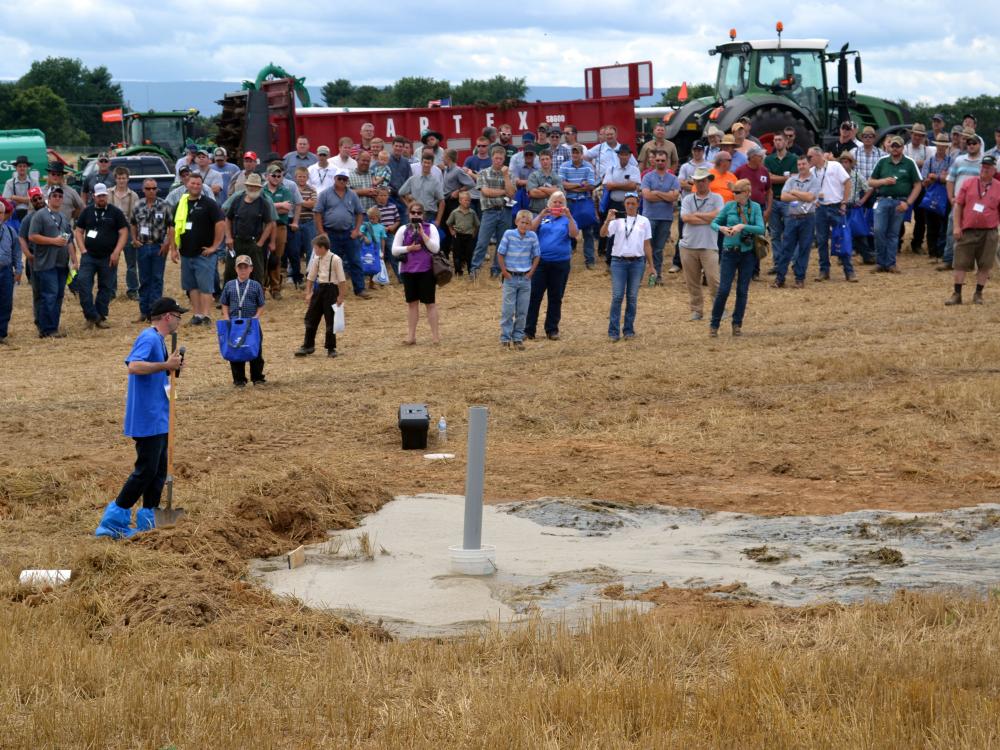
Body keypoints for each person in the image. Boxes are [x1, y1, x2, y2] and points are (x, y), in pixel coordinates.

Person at [94, 296, 187, 538]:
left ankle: (148, 518)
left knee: (157, 471)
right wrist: (163, 364)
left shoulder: (159, 340)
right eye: (178, 316)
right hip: (147, 417)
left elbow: (157, 369)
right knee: (145, 470)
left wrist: (170, 367)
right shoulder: (148, 337)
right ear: (167, 316)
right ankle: (114, 519)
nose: (179, 320)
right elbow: (134, 366)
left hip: (159, 415)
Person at [709, 179, 765, 337]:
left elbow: (761, 228)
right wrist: (722, 228)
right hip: (729, 252)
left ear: (747, 193)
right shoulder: (729, 206)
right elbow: (714, 223)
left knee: (742, 290)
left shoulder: (755, 208)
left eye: (738, 192)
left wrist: (743, 227)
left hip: (748, 253)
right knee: (724, 289)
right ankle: (714, 324)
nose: (734, 194)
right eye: (733, 192)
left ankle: (737, 324)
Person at [168, 173, 225, 325]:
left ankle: (206, 316)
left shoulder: (209, 204)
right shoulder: (180, 204)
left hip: (204, 253)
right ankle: (197, 315)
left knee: (205, 287)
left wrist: (215, 246)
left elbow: (220, 224)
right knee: (191, 286)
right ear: (187, 184)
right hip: (186, 253)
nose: (195, 186)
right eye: (192, 183)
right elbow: (172, 227)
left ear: (202, 186)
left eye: (198, 184)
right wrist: (173, 249)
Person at [945, 155, 1000, 306]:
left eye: (988, 167)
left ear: (994, 170)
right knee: (960, 262)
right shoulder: (968, 183)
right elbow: (958, 206)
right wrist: (957, 226)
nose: (984, 169)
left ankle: (978, 293)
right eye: (983, 166)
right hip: (967, 229)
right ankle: (957, 294)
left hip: (989, 232)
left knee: (985, 264)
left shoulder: (998, 186)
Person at [74, 183, 129, 329]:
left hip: (108, 257)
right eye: (99, 196)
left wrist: (116, 252)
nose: (101, 198)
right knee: (83, 284)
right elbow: (78, 231)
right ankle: (91, 315)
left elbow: (123, 232)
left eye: (104, 195)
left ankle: (101, 316)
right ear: (94, 197)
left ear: (107, 195)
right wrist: (83, 250)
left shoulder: (115, 212)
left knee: (106, 287)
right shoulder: (87, 212)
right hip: (89, 256)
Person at [600, 193, 654, 341]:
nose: (630, 206)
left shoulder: (644, 221)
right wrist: (607, 220)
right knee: (617, 296)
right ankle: (613, 331)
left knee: (632, 297)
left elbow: (647, 245)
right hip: (618, 262)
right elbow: (603, 234)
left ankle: (629, 329)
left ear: (638, 204)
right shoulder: (616, 221)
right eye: (628, 203)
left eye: (633, 203)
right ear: (624, 204)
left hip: (637, 262)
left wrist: (651, 266)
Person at [525, 192, 578, 340]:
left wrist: (570, 217)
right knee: (534, 296)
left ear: (564, 205)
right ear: (549, 204)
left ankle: (552, 329)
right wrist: (541, 215)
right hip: (540, 263)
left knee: (555, 297)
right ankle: (529, 330)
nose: (557, 205)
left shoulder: (567, 220)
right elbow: (530, 230)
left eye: (560, 202)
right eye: (554, 202)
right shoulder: (544, 218)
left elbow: (574, 234)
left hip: (560, 263)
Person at [868, 135, 922, 273]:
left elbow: (918, 185)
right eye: (893, 145)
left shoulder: (909, 163)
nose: (895, 148)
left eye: (898, 146)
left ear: (903, 147)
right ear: (889, 147)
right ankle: (881, 262)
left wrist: (908, 203)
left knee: (893, 233)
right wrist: (883, 182)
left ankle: (890, 263)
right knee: (879, 230)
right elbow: (871, 181)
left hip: (900, 201)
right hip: (882, 199)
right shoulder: (882, 161)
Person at [28, 187, 76, 338]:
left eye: (60, 196)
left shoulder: (63, 217)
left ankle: (53, 328)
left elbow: (68, 240)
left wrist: (74, 260)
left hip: (62, 263)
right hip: (45, 264)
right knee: (49, 295)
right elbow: (32, 236)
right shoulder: (40, 215)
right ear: (49, 198)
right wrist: (53, 241)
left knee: (58, 296)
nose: (57, 198)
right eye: (54, 195)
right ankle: (45, 329)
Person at [391, 203, 441, 345]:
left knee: (430, 303)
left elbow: (435, 248)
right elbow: (394, 250)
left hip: (426, 270)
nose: (416, 215)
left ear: (423, 214)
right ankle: (411, 336)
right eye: (413, 212)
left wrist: (423, 235)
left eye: (419, 213)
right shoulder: (403, 229)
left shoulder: (430, 228)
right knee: (412, 304)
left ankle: (435, 337)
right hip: (408, 271)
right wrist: (409, 248)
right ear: (409, 214)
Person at [678, 168, 723, 321]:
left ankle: (719, 310)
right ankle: (697, 311)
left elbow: (718, 217)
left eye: (703, 180)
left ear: (709, 181)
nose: (700, 183)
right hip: (688, 245)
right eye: (698, 180)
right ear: (694, 182)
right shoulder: (687, 199)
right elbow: (685, 218)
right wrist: (707, 218)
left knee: (714, 280)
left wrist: (696, 215)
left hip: (709, 245)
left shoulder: (717, 198)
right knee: (692, 281)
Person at [808, 146, 856, 281]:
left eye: (810, 157)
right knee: (822, 241)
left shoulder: (835, 166)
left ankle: (849, 270)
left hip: (836, 206)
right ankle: (824, 271)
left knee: (841, 237)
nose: (808, 159)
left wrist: (844, 202)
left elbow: (847, 183)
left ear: (818, 156)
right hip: (821, 208)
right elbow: (809, 189)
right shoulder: (812, 171)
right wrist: (814, 201)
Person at [295, 235, 347, 358]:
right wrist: (308, 293)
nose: (314, 251)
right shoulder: (316, 260)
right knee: (311, 318)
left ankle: (331, 348)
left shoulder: (335, 259)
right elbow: (310, 278)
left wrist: (340, 296)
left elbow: (342, 280)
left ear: (323, 248)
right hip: (319, 290)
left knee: (330, 320)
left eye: (316, 248)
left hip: (331, 290)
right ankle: (308, 345)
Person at [774, 156, 821, 289]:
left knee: (804, 249)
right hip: (792, 218)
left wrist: (794, 192)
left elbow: (811, 197)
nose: (801, 166)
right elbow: (783, 196)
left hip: (808, 218)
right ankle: (780, 278)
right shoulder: (791, 179)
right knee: (786, 248)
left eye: (804, 164)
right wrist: (802, 195)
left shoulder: (815, 181)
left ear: (809, 164)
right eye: (799, 164)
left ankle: (799, 278)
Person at [496, 210, 541, 350]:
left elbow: (537, 255)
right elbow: (500, 253)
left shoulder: (532, 236)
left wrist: (531, 272)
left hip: (525, 278)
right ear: (516, 222)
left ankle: (518, 338)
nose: (524, 225)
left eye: (528, 223)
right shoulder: (509, 234)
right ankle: (505, 338)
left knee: (522, 310)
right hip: (510, 277)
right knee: (508, 310)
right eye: (522, 222)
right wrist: (504, 272)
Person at [219, 255, 266, 385]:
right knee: (235, 351)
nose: (243, 270)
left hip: (251, 325)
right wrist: (226, 318)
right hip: (234, 324)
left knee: (255, 350)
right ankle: (239, 379)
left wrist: (256, 317)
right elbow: (224, 303)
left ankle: (257, 377)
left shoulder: (256, 285)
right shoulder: (229, 285)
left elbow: (261, 304)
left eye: (246, 267)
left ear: (251, 269)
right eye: (240, 267)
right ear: (235, 269)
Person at [224, 173, 275, 288]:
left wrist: (261, 242)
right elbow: (228, 218)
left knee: (257, 272)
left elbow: (270, 224)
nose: (253, 188)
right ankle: (227, 297)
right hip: (236, 241)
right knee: (230, 271)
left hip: (254, 242)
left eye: (255, 186)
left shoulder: (264, 203)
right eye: (250, 186)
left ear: (259, 188)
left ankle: (257, 298)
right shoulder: (237, 200)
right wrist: (228, 237)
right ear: (246, 186)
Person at [470, 146, 514, 278]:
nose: (498, 161)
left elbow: (511, 194)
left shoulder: (509, 174)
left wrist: (505, 176)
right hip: (489, 212)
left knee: (502, 243)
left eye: (501, 158)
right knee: (482, 242)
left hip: (505, 211)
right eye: (496, 158)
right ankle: (475, 270)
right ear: (492, 158)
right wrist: (503, 192)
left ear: (504, 159)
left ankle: (496, 270)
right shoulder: (483, 173)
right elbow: (486, 192)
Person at [131, 179, 171, 323]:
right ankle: (143, 312)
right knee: (144, 280)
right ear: (143, 190)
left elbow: (171, 226)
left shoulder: (164, 205)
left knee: (157, 280)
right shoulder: (137, 205)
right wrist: (135, 240)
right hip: (142, 246)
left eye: (154, 188)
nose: (151, 191)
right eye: (148, 188)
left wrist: (167, 244)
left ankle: (155, 312)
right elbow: (133, 224)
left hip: (158, 246)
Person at [640, 149, 681, 282]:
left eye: (663, 160)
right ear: (654, 161)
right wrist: (666, 195)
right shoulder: (647, 177)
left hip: (666, 218)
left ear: (667, 161)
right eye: (657, 160)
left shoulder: (673, 178)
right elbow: (646, 195)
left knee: (658, 249)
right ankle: (639, 276)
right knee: (645, 247)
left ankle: (656, 276)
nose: (660, 162)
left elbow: (674, 197)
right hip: (649, 217)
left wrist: (656, 192)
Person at [559, 144, 598, 268]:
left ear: (582, 154)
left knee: (588, 232)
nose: (575, 155)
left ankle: (590, 260)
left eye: (577, 153)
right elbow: (562, 184)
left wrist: (571, 186)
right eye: (573, 153)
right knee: (566, 231)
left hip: (584, 201)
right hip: (569, 202)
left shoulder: (589, 166)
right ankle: (565, 259)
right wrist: (580, 185)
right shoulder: (564, 166)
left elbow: (591, 186)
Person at [764, 133, 798, 271]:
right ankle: (778, 263)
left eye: (780, 140)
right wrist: (786, 177)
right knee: (775, 234)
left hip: (788, 200)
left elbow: (795, 178)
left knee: (791, 232)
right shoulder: (769, 159)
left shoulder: (793, 158)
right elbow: (768, 179)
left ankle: (794, 263)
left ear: (786, 141)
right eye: (775, 140)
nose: (777, 142)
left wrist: (776, 177)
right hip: (773, 199)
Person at [109, 167, 141, 300]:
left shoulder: (133, 195)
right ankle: (110, 290)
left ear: (128, 179)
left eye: (124, 178)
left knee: (131, 263)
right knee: (111, 261)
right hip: (111, 230)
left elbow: (137, 217)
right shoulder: (108, 193)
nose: (121, 180)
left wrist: (136, 235)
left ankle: (132, 290)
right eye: (119, 178)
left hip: (128, 230)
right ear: (115, 178)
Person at [921, 135, 954, 260]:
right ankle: (932, 252)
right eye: (939, 144)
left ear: (946, 146)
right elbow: (924, 181)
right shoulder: (929, 161)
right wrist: (941, 177)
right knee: (931, 226)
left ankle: (940, 251)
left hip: (945, 197)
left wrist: (934, 177)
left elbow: (950, 179)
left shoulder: (951, 161)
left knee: (944, 225)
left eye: (943, 144)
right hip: (933, 196)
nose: (941, 147)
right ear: (936, 145)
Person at [0, 202, 23, 344]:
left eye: (1, 213)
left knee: (5, 304)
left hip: (6, 272)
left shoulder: (10, 231)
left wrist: (19, 269)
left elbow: (17, 252)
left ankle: (1, 334)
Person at [446, 190, 479, 276]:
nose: (467, 202)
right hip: (458, 236)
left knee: (469, 254)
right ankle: (458, 271)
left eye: (469, 200)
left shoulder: (472, 212)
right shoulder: (455, 212)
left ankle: (470, 271)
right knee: (457, 255)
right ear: (460, 201)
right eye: (465, 200)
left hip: (468, 236)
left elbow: (477, 224)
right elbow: (449, 223)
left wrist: (474, 233)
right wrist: (452, 232)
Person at [2, 155, 39, 222]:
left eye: (24, 166)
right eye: (20, 166)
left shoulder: (34, 182)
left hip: (31, 214)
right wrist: (27, 200)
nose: (22, 168)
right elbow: (6, 201)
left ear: (28, 167)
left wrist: (14, 197)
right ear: (16, 168)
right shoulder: (9, 182)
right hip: (13, 215)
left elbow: (36, 200)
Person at [360, 206, 388, 289]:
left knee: (375, 265)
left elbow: (383, 239)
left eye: (373, 218)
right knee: (365, 264)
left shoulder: (381, 227)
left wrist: (382, 251)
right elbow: (360, 233)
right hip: (367, 249)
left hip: (376, 249)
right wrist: (365, 238)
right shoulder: (366, 225)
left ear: (378, 218)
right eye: (370, 218)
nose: (371, 220)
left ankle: (372, 283)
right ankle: (362, 284)